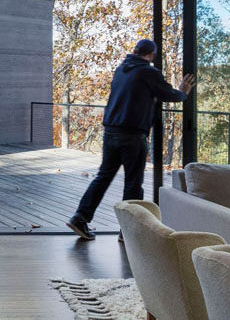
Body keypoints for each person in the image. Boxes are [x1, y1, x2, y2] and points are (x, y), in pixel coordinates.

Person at [67, 38, 195, 241]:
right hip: (133, 135)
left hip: (110, 131)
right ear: (151, 55)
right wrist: (183, 92)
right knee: (133, 184)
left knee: (103, 177)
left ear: (135, 51)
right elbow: (168, 94)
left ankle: (80, 218)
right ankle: (128, 231)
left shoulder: (121, 69)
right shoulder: (149, 72)